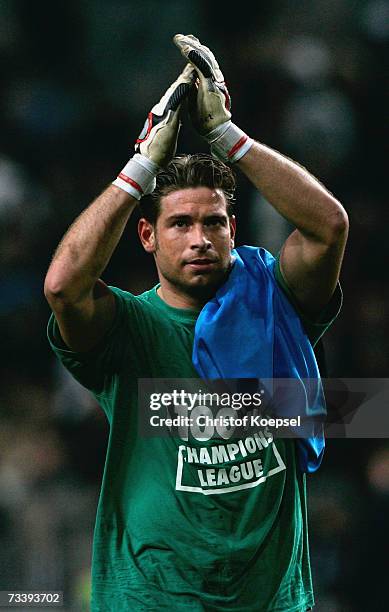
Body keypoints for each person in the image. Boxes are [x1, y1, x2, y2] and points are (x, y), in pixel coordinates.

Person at [44, 34, 348, 611]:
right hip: (151, 599)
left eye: (214, 222)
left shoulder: (274, 301)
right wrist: (142, 166)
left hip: (271, 601)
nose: (200, 239)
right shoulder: (128, 330)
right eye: (180, 224)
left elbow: (329, 227)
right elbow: (63, 287)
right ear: (147, 235)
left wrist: (228, 137)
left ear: (234, 228)